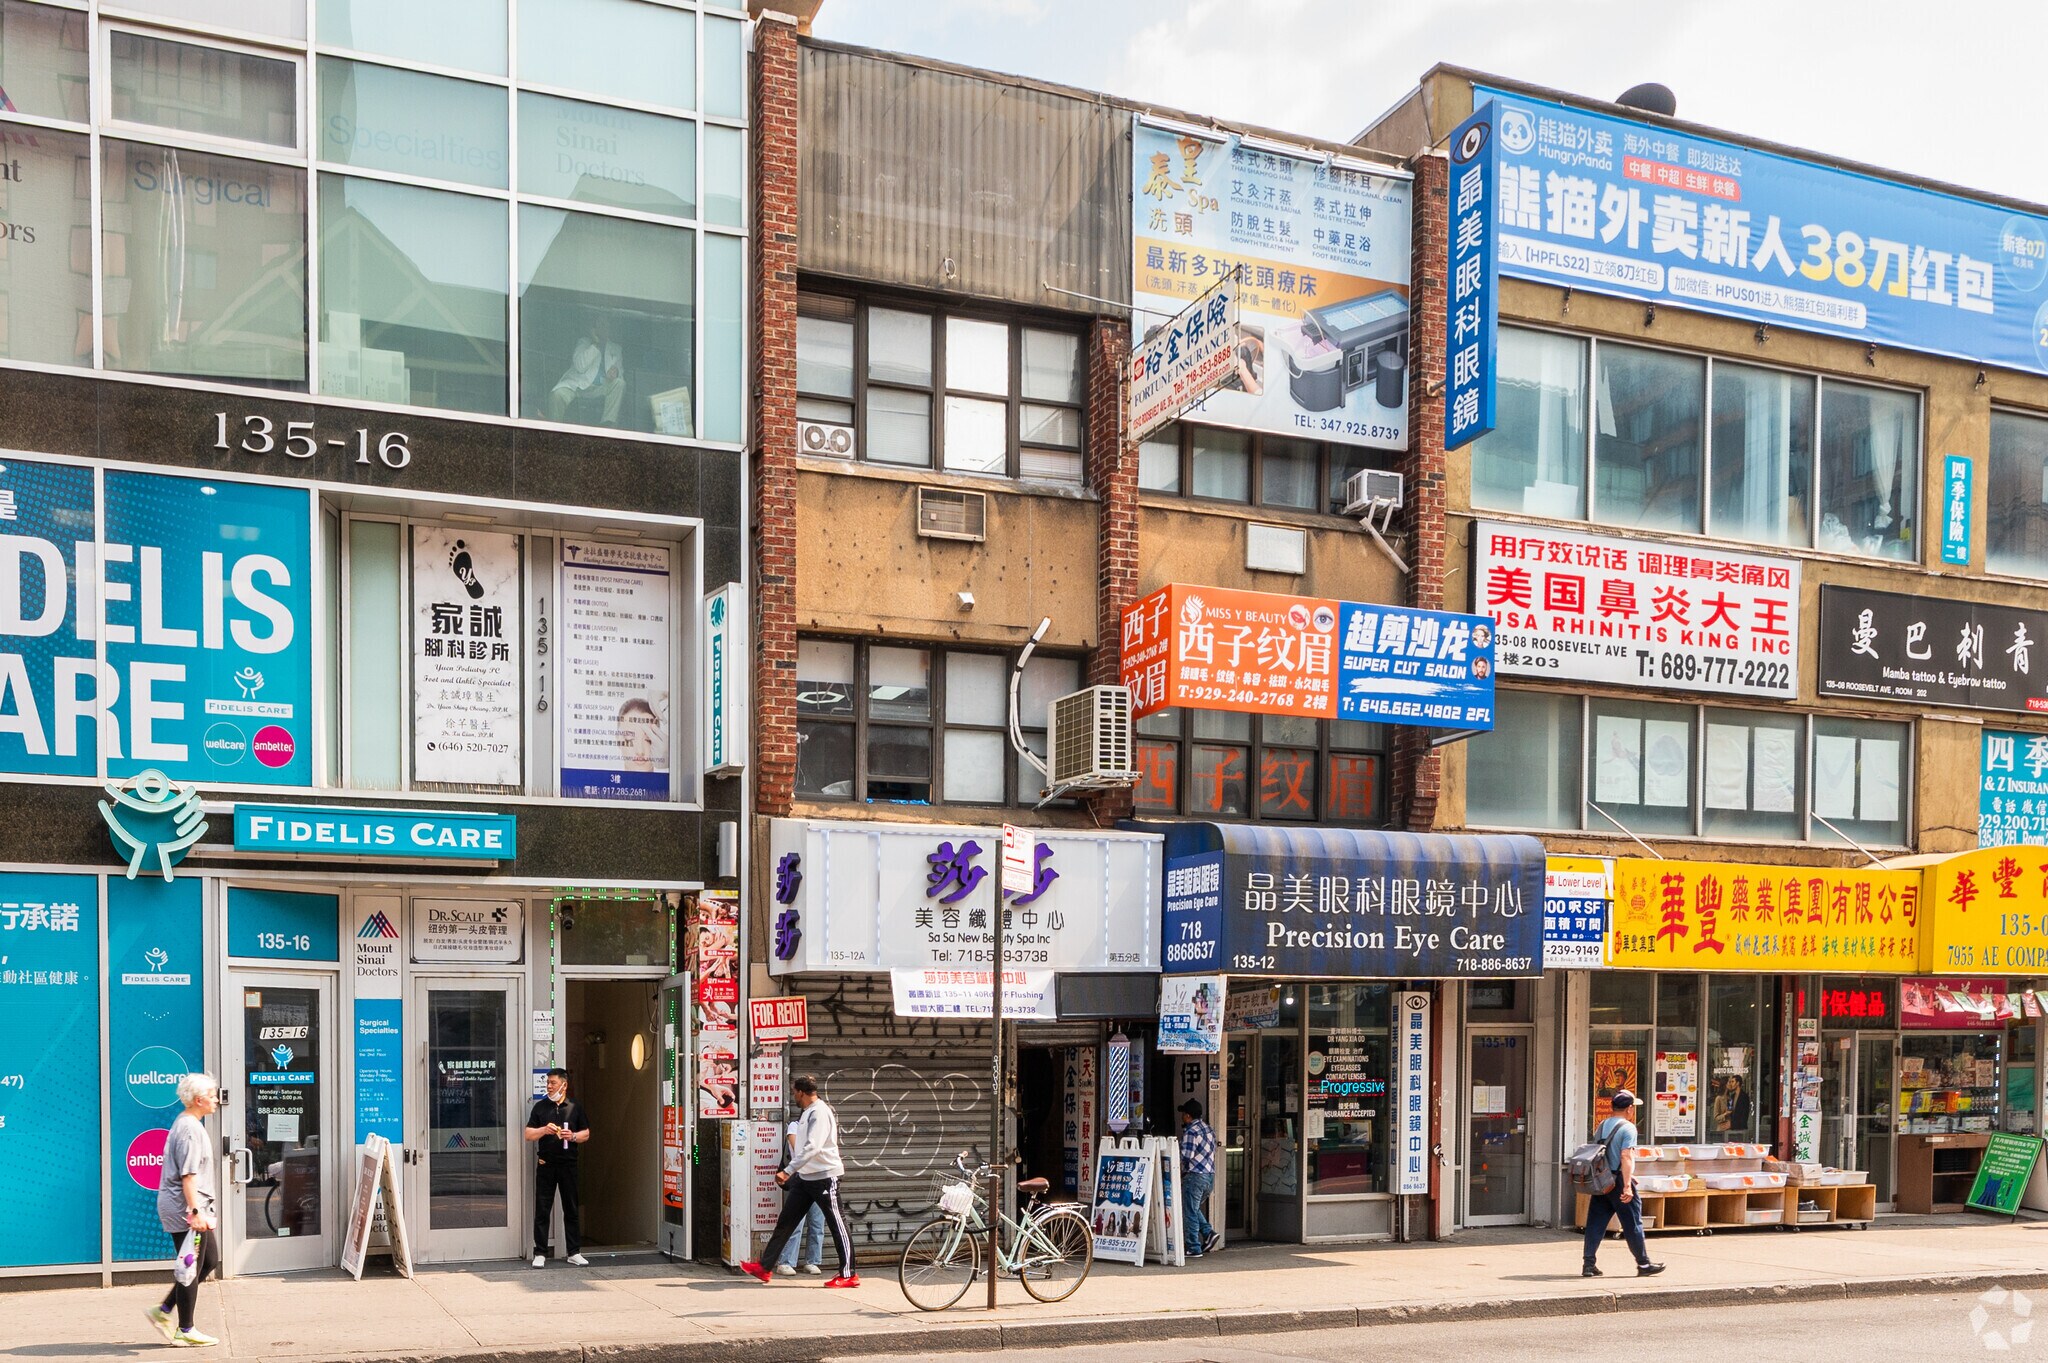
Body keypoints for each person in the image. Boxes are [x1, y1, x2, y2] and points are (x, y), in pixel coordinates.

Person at [741, 1075, 858, 1287]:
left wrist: (788, 1171)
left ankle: (849, 1274)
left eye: (794, 1091)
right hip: (805, 1178)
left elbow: (812, 1146)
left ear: (801, 1092)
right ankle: (764, 1267)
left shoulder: (819, 1113)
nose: (793, 1095)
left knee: (837, 1224)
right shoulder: (807, 1113)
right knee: (786, 1222)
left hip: (824, 1177)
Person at [146, 1073, 222, 1348]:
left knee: (209, 1260)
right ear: (199, 1100)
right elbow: (187, 1176)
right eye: (212, 1096)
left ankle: (165, 1309)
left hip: (185, 1206)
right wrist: (195, 1211)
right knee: (191, 1266)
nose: (216, 1100)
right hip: (185, 1208)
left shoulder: (187, 1123)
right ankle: (185, 1329)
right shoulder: (190, 1129)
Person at [1581, 1089, 1665, 1279]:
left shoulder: (1602, 1125)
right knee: (1632, 1221)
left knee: (1595, 1222)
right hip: (1618, 1181)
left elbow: (1602, 1154)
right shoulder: (1628, 1128)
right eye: (1633, 1107)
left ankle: (1588, 1264)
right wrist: (1627, 1184)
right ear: (1629, 1109)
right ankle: (1643, 1264)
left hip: (1602, 1180)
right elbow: (1626, 1156)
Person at [524, 1068, 591, 1268]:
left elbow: (586, 1133)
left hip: (569, 1163)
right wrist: (544, 1130)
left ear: (564, 1084)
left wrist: (573, 1137)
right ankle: (540, 1252)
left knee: (570, 1207)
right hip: (546, 1163)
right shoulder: (540, 1107)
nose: (549, 1086)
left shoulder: (574, 1107)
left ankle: (574, 1251)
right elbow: (528, 1134)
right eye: (548, 1083)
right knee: (543, 1208)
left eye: (553, 1083)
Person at [547, 314, 625, 426]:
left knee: (619, 383)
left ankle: (608, 424)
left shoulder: (616, 349)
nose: (604, 328)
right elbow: (580, 366)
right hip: (578, 385)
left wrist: (615, 373)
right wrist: (596, 344)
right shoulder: (584, 342)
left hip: (601, 387)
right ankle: (553, 429)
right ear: (594, 329)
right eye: (600, 325)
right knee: (557, 395)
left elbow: (620, 373)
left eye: (606, 325)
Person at [775, 1116, 827, 1276]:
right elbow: (799, 1151)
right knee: (795, 1224)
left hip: (819, 1180)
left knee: (817, 1224)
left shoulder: (821, 1130)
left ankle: (812, 1261)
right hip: (800, 1181)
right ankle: (785, 1262)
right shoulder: (794, 1126)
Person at [1178, 1099, 1221, 1257]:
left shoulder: (1191, 1132)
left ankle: (1193, 1247)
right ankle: (1208, 1233)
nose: (1182, 1117)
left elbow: (1186, 1156)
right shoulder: (1209, 1129)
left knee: (1189, 1211)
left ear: (1188, 1116)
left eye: (1183, 1114)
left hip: (1195, 1176)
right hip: (1209, 1176)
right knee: (1194, 1208)